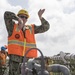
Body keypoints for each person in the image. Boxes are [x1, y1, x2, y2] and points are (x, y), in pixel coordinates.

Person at [4, 9, 50, 75]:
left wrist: (40, 17)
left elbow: (46, 27)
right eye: (22, 16)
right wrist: (18, 20)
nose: (24, 18)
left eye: (26, 17)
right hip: (15, 62)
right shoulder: (12, 27)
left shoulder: (31, 28)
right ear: (18, 17)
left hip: (28, 61)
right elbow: (6, 14)